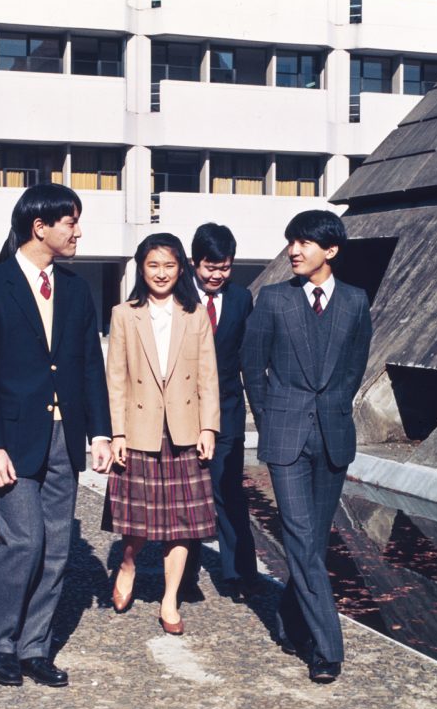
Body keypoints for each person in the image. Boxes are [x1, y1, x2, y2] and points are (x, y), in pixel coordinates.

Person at [0, 183, 113, 688]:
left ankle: (34, 647)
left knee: (57, 547)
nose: (78, 231)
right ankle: (0, 642)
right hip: (13, 440)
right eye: (70, 222)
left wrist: (101, 433)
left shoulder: (74, 289)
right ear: (39, 227)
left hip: (65, 439)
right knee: (23, 542)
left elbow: (90, 365)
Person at [241, 210, 372, 684]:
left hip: (334, 437)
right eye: (290, 242)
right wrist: (272, 417)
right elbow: (252, 368)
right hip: (286, 438)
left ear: (330, 251)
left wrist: (334, 408)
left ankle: (289, 618)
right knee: (299, 536)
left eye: (303, 243)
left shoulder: (356, 302)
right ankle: (327, 647)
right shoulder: (274, 300)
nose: (293, 251)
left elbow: (355, 367)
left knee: (313, 542)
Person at [103, 233, 219, 635]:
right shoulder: (124, 314)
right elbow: (115, 378)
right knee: (138, 519)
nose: (161, 273)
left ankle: (170, 600)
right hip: (139, 430)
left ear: (181, 268)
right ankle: (128, 563)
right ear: (141, 267)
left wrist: (208, 427)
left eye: (169, 265)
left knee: (183, 522)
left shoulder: (195, 313)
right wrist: (116, 432)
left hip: (186, 431)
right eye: (153, 265)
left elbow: (208, 375)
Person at [181, 223, 259, 603]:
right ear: (195, 262)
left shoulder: (242, 299)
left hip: (227, 409)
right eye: (210, 267)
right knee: (187, 494)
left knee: (229, 491)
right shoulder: (176, 295)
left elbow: (248, 356)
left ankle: (239, 573)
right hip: (182, 411)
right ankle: (185, 575)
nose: (216, 276)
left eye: (225, 268)